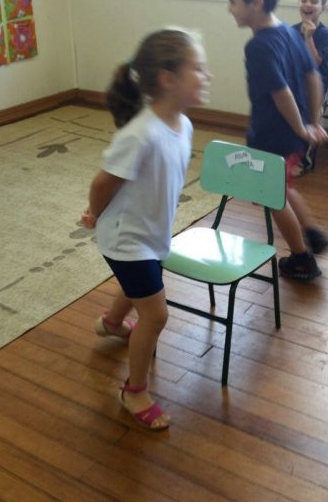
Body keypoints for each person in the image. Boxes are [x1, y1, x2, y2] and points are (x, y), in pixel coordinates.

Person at [81, 28, 211, 430]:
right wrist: (94, 214)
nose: (206, 76)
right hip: (126, 239)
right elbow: (103, 183)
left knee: (140, 283)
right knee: (155, 316)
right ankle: (134, 391)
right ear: (168, 79)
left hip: (149, 232)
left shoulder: (183, 124)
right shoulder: (140, 133)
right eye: (198, 69)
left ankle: (112, 324)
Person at [223, 0, 328, 281]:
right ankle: (311, 231)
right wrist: (313, 123)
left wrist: (302, 126)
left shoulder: (258, 46)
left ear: (256, 2)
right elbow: (313, 77)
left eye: (233, 1)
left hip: (272, 136)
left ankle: (301, 258)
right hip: (292, 137)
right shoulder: (289, 31)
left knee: (271, 196)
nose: (229, 9)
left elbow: (280, 92)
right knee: (282, 186)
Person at [292, 0, 328, 174]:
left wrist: (308, 37)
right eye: (304, 0)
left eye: (314, 1)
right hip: (294, 83)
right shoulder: (291, 30)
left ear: (323, 7)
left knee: (307, 111)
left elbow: (315, 62)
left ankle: (303, 159)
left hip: (317, 86)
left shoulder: (324, 33)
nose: (307, 4)